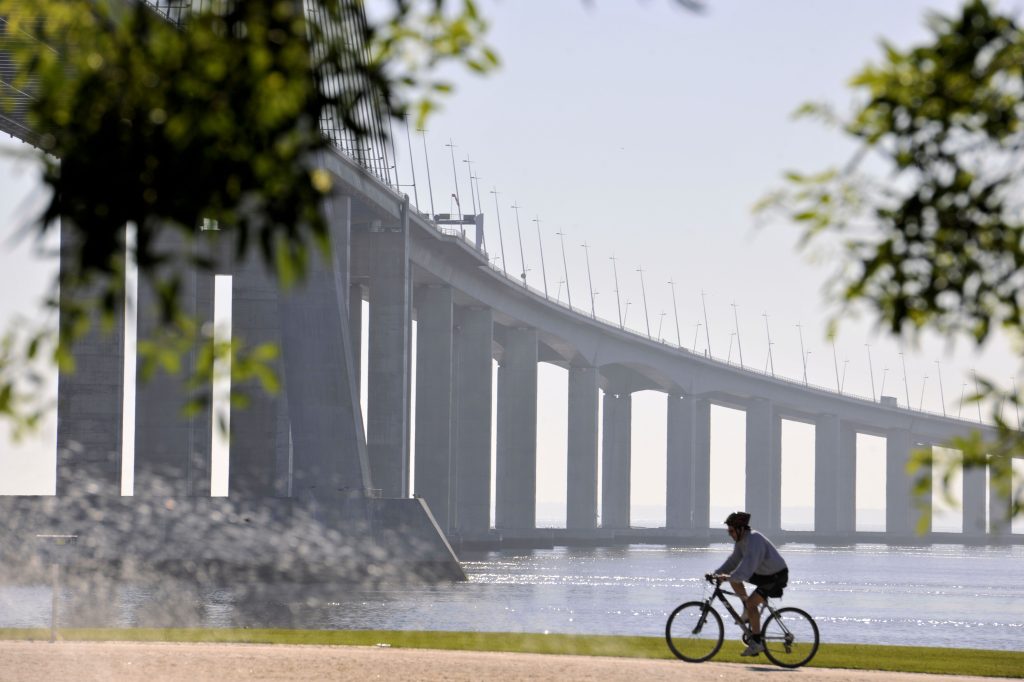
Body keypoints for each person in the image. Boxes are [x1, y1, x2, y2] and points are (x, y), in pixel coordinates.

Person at [709, 511, 789, 657]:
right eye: (729, 531)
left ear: (740, 529)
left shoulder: (754, 540)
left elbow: (746, 568)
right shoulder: (741, 542)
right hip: (764, 574)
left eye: (731, 531)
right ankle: (747, 608)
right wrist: (716, 574)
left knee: (751, 601)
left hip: (775, 576)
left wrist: (727, 577)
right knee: (735, 580)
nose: (730, 534)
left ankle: (757, 642)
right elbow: (733, 561)